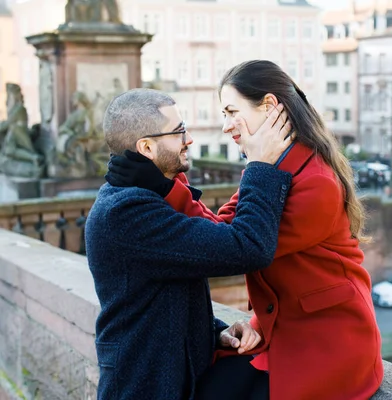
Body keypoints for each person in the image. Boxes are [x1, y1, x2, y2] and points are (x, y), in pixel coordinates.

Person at [106, 61, 384, 400]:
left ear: (268, 106)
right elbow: (222, 229)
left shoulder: (315, 182)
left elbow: (240, 245)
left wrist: (166, 183)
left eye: (232, 111)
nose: (226, 126)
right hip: (287, 330)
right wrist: (255, 324)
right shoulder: (276, 167)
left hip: (329, 340)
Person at [86, 88, 294, 400]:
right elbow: (248, 246)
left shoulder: (145, 195)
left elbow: (158, 297)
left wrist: (215, 333)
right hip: (143, 388)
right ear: (147, 147)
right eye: (179, 131)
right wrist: (260, 165)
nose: (189, 139)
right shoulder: (126, 212)